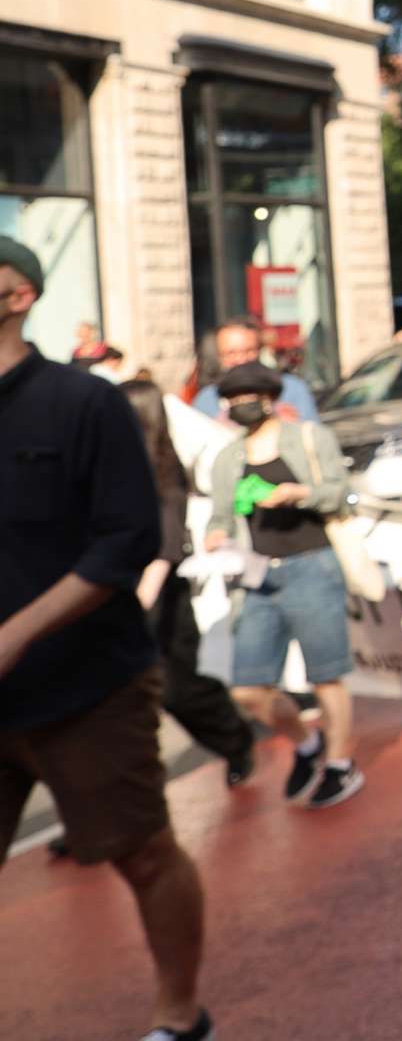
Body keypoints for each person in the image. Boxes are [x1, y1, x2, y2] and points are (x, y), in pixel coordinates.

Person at [0, 238, 217, 1041]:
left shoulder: (84, 403)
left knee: (143, 852)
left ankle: (180, 1016)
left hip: (87, 689)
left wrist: (16, 635)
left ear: (19, 294)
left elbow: (125, 542)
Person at [204, 362, 365, 809]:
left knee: (325, 675)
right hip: (257, 576)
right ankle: (308, 746)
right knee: (249, 689)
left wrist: (300, 494)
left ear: (270, 397)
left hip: (311, 565)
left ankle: (340, 763)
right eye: (232, 401)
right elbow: (220, 516)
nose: (241, 407)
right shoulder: (228, 458)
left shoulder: (309, 439)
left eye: (247, 398)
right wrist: (215, 535)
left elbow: (340, 492)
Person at [123, 376, 256, 785]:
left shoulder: (165, 474)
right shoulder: (111, 468)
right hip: (120, 593)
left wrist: (136, 604)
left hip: (159, 601)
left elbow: (165, 551)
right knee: (113, 709)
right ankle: (101, 805)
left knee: (182, 691)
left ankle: (237, 742)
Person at [190, 315, 319, 423]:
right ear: (219, 356)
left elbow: (315, 438)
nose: (241, 360)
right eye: (231, 353)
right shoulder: (207, 400)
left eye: (248, 351)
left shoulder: (291, 389)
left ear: (260, 350)